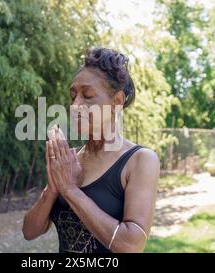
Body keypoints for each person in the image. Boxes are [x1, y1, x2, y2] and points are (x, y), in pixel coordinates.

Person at [22, 47, 160, 253]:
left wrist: (70, 190)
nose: (75, 105)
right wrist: (52, 188)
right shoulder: (69, 160)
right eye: (72, 97)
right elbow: (29, 232)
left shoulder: (140, 160)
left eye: (87, 96)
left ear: (117, 102)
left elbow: (131, 245)